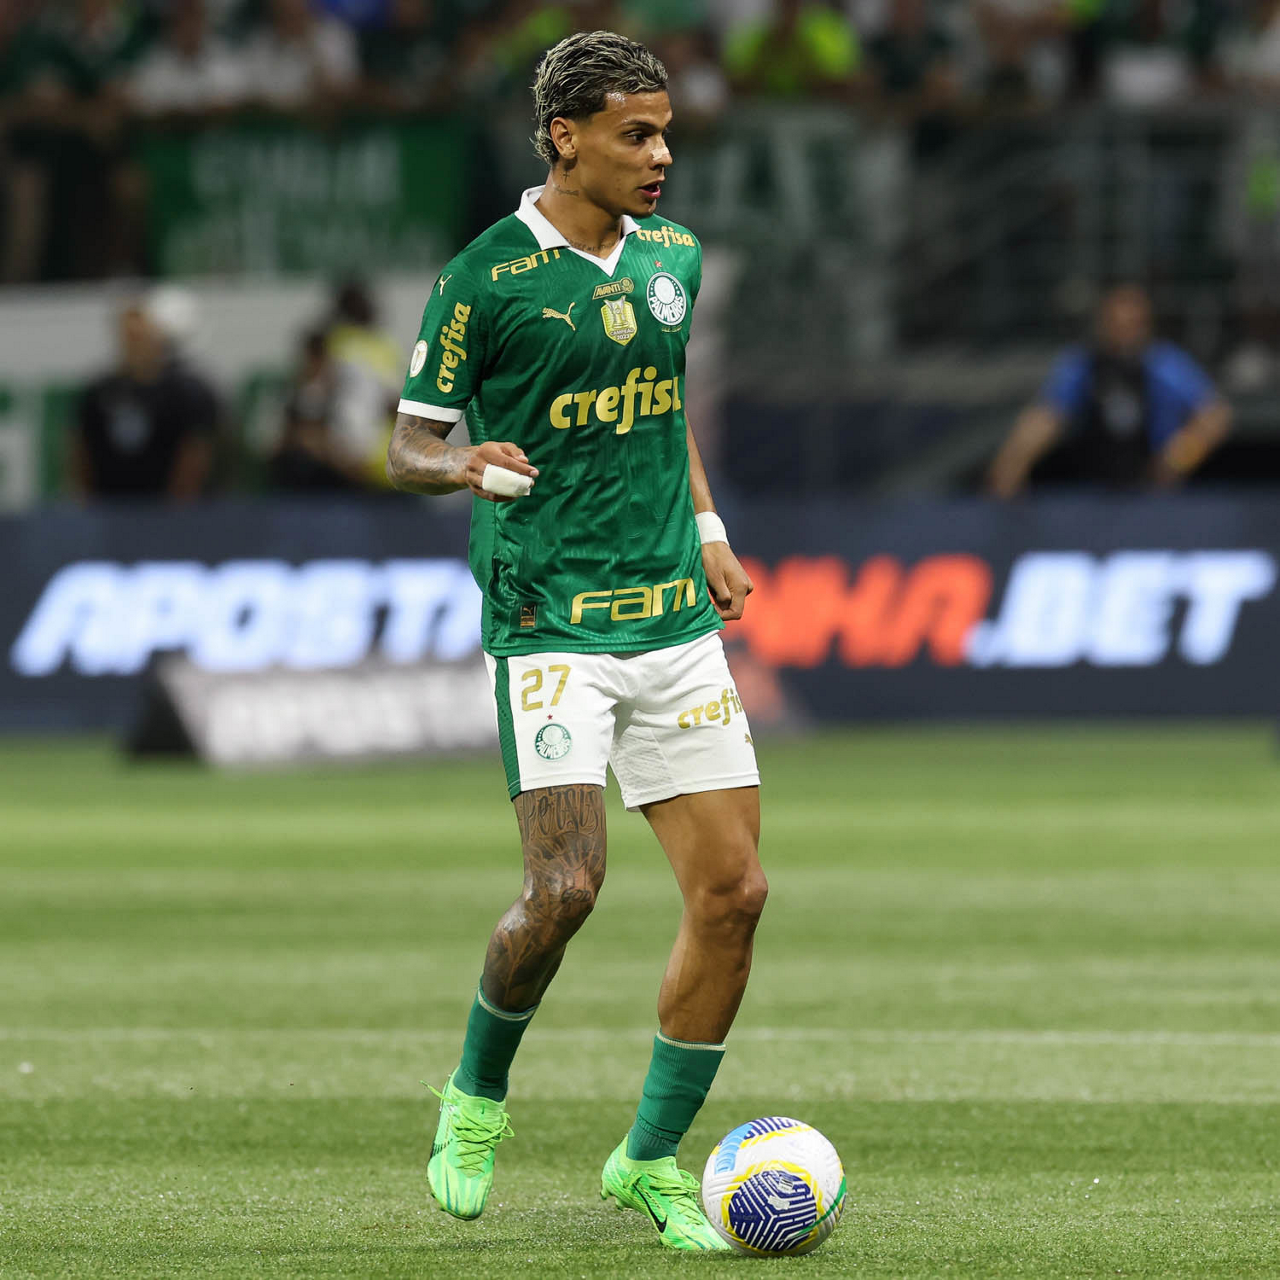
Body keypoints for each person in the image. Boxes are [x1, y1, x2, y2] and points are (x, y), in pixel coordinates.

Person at [385, 30, 763, 1253]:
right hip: (549, 618)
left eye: (665, 135)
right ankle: (474, 1096)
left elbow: (665, 404)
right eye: (633, 135)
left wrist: (706, 526)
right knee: (564, 889)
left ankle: (646, 1160)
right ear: (565, 136)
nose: (659, 157)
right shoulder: (484, 278)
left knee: (734, 893)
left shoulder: (672, 257)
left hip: (671, 617)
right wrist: (462, 464)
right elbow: (406, 444)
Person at [988, 284, 1232, 497]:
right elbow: (1046, 417)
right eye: (1117, 324)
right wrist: (1013, 461)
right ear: (1103, 323)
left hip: (1154, 493)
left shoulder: (1164, 364)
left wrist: (1177, 460)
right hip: (1095, 493)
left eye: (1133, 324)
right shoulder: (1083, 365)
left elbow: (1216, 416)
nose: (1125, 333)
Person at [71, 296, 218, 500]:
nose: (134, 344)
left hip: (162, 506)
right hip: (110, 505)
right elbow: (82, 450)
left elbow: (194, 451)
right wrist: (86, 500)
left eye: (139, 336)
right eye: (128, 336)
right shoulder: (99, 391)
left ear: (156, 337)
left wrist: (181, 504)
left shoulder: (182, 392)